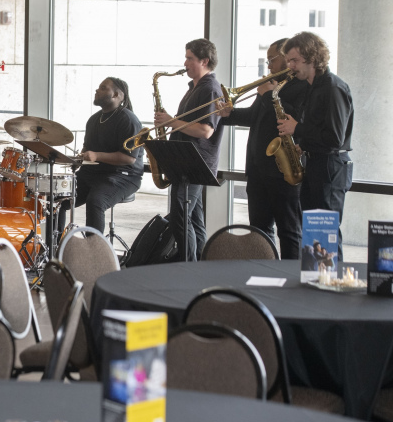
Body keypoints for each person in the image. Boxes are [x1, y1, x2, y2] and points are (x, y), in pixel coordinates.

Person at [217, 39, 308, 260]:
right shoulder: (273, 84)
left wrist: (268, 94)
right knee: (258, 230)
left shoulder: (303, 85)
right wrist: (231, 114)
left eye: (271, 60)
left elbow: (297, 117)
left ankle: (289, 280)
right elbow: (255, 116)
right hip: (258, 169)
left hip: (282, 169)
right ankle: (263, 275)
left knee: (289, 231)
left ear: (287, 58)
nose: (268, 66)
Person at [277, 31, 353, 261]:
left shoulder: (332, 87)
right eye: (288, 60)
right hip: (317, 162)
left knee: (326, 233)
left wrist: (297, 129)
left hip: (330, 167)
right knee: (313, 233)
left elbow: (335, 137)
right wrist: (303, 145)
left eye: (294, 60)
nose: (290, 66)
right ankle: (315, 283)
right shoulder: (312, 87)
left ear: (312, 58)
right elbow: (321, 132)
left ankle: (331, 287)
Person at [154, 38, 224, 262]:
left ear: (204, 60)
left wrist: (171, 122)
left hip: (194, 162)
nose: (185, 63)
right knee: (194, 220)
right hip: (186, 161)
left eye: (189, 58)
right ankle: (201, 266)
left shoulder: (210, 89)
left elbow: (205, 131)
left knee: (180, 219)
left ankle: (189, 268)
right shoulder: (195, 88)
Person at [57, 77, 144, 235]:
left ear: (117, 95)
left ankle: (94, 252)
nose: (97, 90)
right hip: (92, 174)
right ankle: (55, 248)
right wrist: (79, 158)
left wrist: (96, 155)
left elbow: (129, 158)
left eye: (103, 88)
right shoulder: (93, 120)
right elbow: (87, 149)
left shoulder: (128, 119)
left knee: (96, 201)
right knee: (58, 199)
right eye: (98, 87)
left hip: (123, 176)